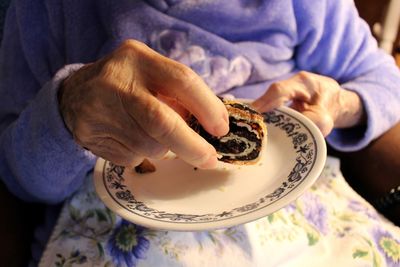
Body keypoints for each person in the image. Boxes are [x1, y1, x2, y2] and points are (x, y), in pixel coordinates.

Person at [0, 0, 399, 265]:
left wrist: (341, 104)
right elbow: (16, 176)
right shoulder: (47, 9)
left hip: (304, 222)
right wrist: (69, 109)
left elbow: (383, 80)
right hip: (114, 234)